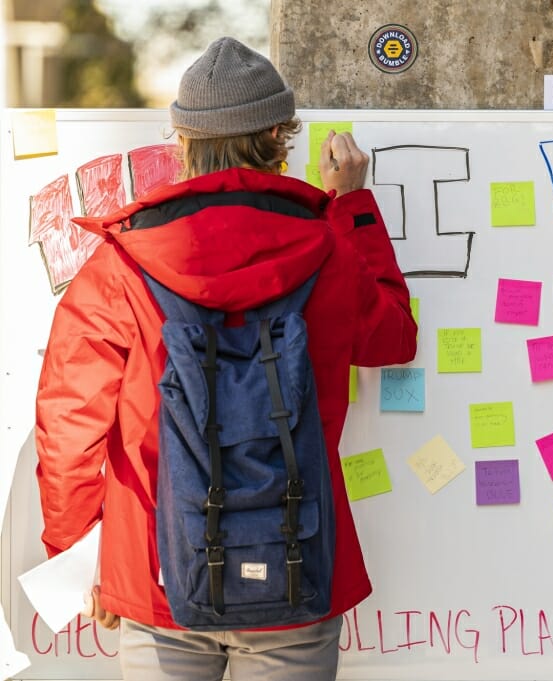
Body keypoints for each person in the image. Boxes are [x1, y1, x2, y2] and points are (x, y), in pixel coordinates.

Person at [34, 37, 417, 680]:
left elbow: (69, 426)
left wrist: (74, 554)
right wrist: (352, 204)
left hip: (157, 579)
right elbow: (392, 340)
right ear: (279, 135)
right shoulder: (329, 248)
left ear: (183, 140)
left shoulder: (122, 264)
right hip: (296, 566)